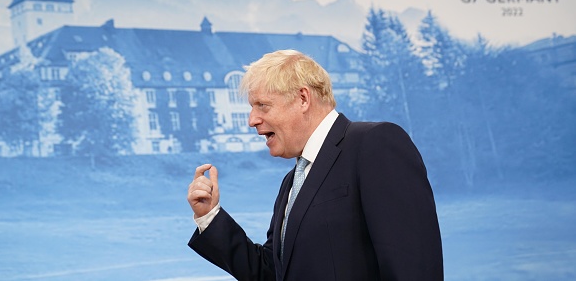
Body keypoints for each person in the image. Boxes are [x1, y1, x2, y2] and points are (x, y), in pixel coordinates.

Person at [186, 49, 443, 280]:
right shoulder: (292, 181)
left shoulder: (374, 144)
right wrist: (209, 216)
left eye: (262, 106)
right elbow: (272, 272)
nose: (252, 120)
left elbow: (413, 267)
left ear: (303, 99)